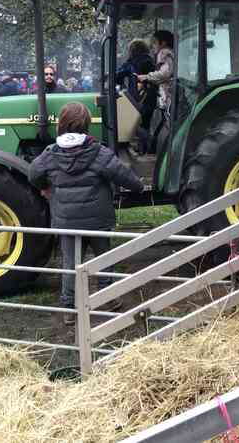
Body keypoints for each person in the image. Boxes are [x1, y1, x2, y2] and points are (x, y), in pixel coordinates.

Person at [28, 102, 144, 321]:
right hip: (98, 220)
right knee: (104, 258)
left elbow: (33, 174)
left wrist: (45, 187)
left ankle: (70, 309)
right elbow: (124, 176)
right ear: (87, 125)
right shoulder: (98, 152)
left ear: (61, 124)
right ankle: (109, 299)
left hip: (67, 221)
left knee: (70, 263)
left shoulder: (50, 154)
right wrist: (139, 187)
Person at [138, 30, 174, 153]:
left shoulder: (164, 53)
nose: (153, 46)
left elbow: (165, 74)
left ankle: (154, 148)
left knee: (165, 122)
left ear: (163, 43)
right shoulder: (171, 52)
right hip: (166, 94)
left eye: (154, 42)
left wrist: (146, 76)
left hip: (167, 95)